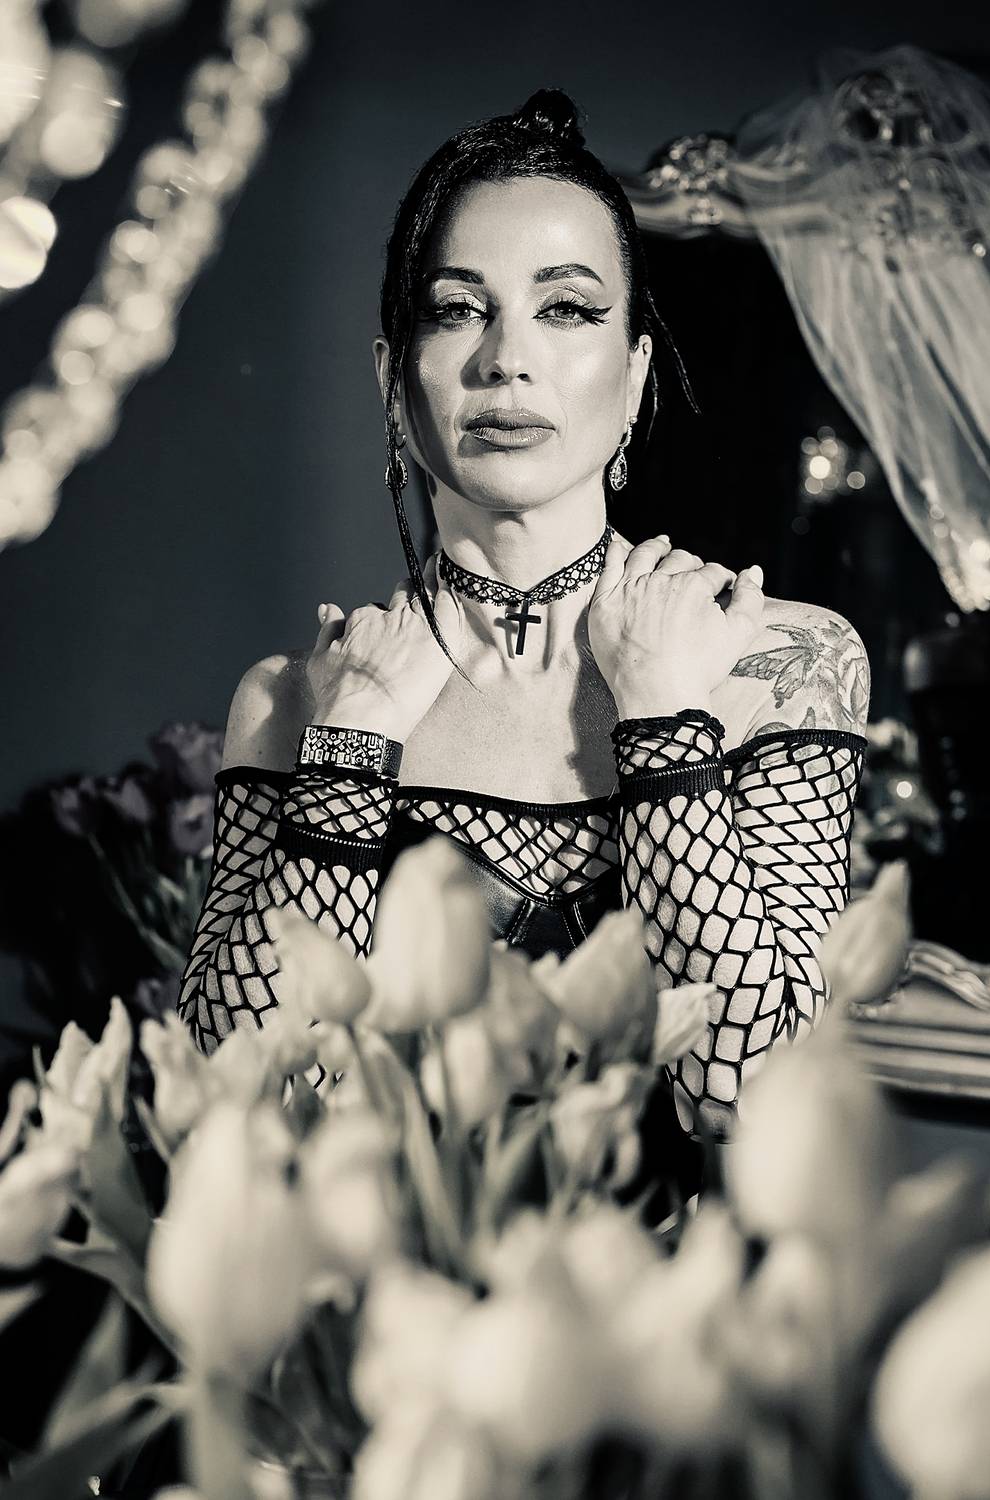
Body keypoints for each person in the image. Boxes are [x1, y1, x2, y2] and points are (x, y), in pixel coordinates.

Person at [178, 88, 869, 1141]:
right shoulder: (290, 702)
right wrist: (350, 746)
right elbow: (237, 1113)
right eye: (458, 309)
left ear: (634, 376)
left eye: (567, 309)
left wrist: (663, 719)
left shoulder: (783, 661)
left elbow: (745, 1104)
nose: (507, 358)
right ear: (393, 379)